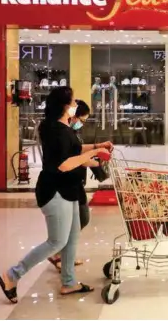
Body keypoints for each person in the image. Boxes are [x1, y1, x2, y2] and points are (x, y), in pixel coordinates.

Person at [0, 87, 110, 303]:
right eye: (73, 100)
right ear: (65, 105)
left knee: (72, 237)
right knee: (56, 242)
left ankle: (68, 282)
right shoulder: (55, 129)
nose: (76, 103)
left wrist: (96, 150)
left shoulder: (62, 126)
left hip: (70, 188)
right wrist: (94, 153)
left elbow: (73, 152)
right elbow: (65, 164)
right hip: (55, 190)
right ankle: (12, 275)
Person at [47, 99, 113, 272]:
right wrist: (94, 160)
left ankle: (64, 260)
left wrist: (97, 148)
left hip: (74, 183)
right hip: (66, 185)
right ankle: (57, 255)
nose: (81, 124)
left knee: (78, 222)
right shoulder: (61, 132)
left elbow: (77, 150)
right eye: (81, 120)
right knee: (79, 220)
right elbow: (70, 159)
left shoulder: (69, 132)